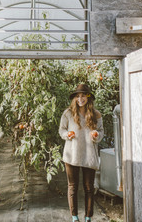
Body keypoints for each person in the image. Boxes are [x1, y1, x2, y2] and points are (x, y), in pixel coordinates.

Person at [59, 84, 104, 222]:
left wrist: (96, 135)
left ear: (88, 97)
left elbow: (101, 131)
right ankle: (74, 217)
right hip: (72, 154)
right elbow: (61, 131)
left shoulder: (96, 114)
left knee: (89, 187)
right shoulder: (68, 113)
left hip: (89, 154)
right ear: (74, 98)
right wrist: (68, 134)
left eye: (83, 95)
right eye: (78, 96)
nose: (80, 99)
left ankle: (88, 218)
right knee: (72, 187)